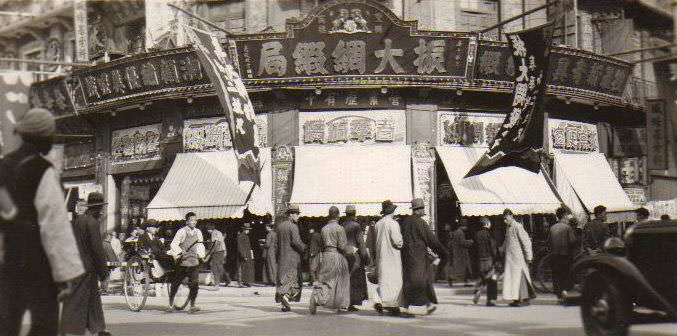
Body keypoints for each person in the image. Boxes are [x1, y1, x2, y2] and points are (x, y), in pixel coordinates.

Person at [0, 108, 85, 336]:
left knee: (7, 325)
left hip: (8, 264)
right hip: (38, 268)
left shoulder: (3, 166)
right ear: (43, 137)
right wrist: (65, 275)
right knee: (44, 327)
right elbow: (54, 227)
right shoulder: (42, 171)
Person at [61, 192, 112, 336]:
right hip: (87, 269)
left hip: (74, 266)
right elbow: (97, 250)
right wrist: (104, 275)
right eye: (101, 208)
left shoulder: (77, 221)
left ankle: (98, 328)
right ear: (98, 208)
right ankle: (74, 329)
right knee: (82, 300)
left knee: (85, 299)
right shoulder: (92, 223)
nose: (102, 212)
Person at [401, 198, 447, 315]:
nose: (423, 211)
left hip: (406, 256)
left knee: (411, 281)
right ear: (419, 210)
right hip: (419, 257)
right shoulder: (421, 223)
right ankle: (424, 304)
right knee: (420, 282)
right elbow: (432, 240)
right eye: (423, 209)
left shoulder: (405, 222)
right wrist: (442, 252)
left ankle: (425, 305)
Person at [309, 206, 350, 314]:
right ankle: (341, 305)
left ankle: (317, 297)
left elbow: (321, 244)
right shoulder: (339, 228)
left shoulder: (324, 228)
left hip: (326, 255)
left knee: (325, 280)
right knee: (341, 280)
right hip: (336, 255)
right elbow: (342, 246)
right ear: (338, 216)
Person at [373, 200, 410, 317]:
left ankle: (379, 301)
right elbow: (398, 242)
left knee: (384, 281)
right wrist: (402, 242)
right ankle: (393, 306)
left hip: (381, 257)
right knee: (394, 282)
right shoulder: (393, 224)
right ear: (392, 211)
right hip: (392, 257)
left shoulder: (378, 224)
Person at [167, 212, 205, 313]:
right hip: (183, 262)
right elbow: (174, 244)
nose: (194, 222)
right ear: (187, 221)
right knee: (176, 283)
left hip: (194, 262)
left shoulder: (198, 232)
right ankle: (171, 303)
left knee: (194, 284)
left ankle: (192, 305)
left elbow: (200, 245)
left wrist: (201, 256)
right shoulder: (182, 231)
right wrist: (180, 251)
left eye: (195, 220)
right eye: (191, 220)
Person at [501, 209, 535, 307]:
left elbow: (526, 241)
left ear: (511, 216)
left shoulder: (518, 226)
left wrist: (529, 256)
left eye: (506, 218)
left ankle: (523, 299)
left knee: (520, 278)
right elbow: (506, 240)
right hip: (511, 259)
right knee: (513, 279)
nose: (505, 221)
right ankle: (516, 299)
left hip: (518, 259)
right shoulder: (508, 228)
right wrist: (502, 249)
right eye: (503, 219)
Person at [276, 204, 307, 312]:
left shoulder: (279, 227)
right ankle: (286, 297)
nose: (298, 216)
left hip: (282, 258)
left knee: (283, 280)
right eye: (297, 214)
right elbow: (296, 242)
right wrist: (305, 248)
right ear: (291, 214)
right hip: (293, 258)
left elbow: (276, 244)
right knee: (295, 281)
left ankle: (284, 304)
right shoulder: (293, 227)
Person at [341, 205, 368, 312]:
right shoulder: (356, 226)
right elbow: (361, 243)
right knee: (355, 278)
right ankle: (352, 302)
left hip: (344, 255)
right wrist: (365, 257)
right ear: (354, 214)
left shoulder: (342, 225)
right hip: (355, 256)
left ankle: (345, 301)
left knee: (345, 278)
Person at [548, 207, 577, 301]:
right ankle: (565, 291)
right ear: (564, 216)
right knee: (565, 273)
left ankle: (558, 293)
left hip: (554, 255)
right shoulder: (567, 228)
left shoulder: (552, 228)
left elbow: (548, 242)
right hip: (566, 254)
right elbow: (572, 241)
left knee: (556, 274)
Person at [472, 217, 498, 306]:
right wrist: (496, 259)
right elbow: (492, 248)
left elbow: (474, 248)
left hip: (480, 260)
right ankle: (491, 300)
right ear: (487, 224)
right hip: (489, 259)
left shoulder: (477, 234)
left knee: (482, 278)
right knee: (492, 280)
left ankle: (477, 291)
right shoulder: (489, 234)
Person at [450, 219, 473, 286]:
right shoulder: (460, 233)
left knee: (460, 267)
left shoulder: (456, 232)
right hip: (461, 253)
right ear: (463, 226)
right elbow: (462, 243)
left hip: (457, 252)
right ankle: (456, 279)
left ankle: (456, 278)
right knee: (462, 267)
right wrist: (470, 242)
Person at [206, 223, 229, 289]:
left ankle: (216, 284)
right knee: (220, 267)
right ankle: (227, 279)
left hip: (217, 252)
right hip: (221, 251)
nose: (207, 231)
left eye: (208, 229)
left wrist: (210, 253)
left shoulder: (214, 233)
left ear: (210, 229)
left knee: (214, 267)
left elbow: (216, 243)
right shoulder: (219, 232)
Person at [236, 223, 254, 287]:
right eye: (247, 229)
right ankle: (240, 282)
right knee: (241, 269)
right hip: (243, 255)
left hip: (247, 255)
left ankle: (246, 282)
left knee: (247, 269)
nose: (248, 230)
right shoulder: (240, 236)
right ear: (244, 229)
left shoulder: (246, 236)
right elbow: (240, 247)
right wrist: (243, 255)